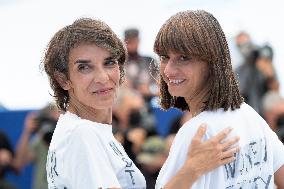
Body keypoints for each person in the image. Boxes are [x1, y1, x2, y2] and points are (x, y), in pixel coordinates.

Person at [43, 17, 240, 189]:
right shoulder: (82, 134)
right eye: (84, 67)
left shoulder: (87, 130)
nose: (102, 77)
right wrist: (192, 169)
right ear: (63, 80)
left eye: (109, 62)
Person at [153, 10, 284, 188]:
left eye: (184, 58)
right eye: (164, 57)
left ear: (211, 62)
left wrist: (191, 170)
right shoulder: (249, 115)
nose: (168, 70)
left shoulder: (195, 133)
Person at [14, 103, 58, 189]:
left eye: (56, 121)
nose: (52, 125)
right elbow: (19, 164)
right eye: (49, 121)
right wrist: (27, 131)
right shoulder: (39, 141)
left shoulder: (70, 140)